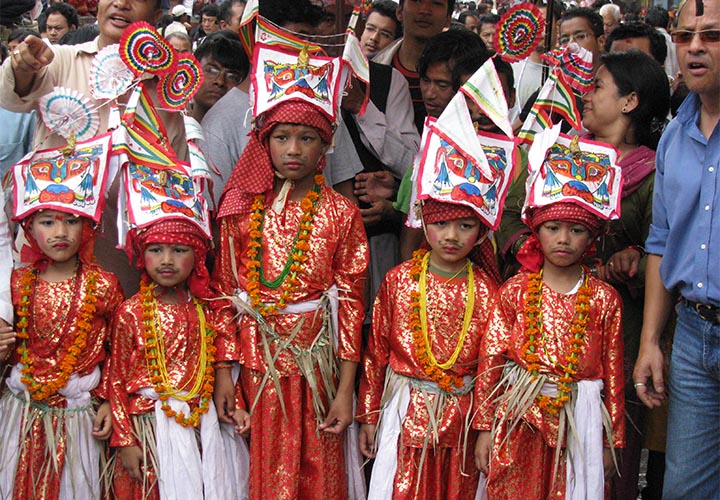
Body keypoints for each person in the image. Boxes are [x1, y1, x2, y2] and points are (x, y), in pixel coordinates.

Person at [212, 50, 369, 498]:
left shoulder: (341, 213)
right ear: (264, 142)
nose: (294, 150)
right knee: (258, 469)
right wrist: (226, 374)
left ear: (326, 144)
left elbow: (351, 304)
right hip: (254, 367)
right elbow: (225, 295)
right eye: (282, 137)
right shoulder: (239, 211)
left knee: (318, 469)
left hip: (316, 368)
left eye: (307, 138)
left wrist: (345, 389)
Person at [474, 139, 626, 499]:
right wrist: (483, 426)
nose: (563, 239)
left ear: (592, 237)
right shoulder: (514, 292)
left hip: (579, 425)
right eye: (553, 227)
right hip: (518, 420)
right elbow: (491, 360)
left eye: (576, 230)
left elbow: (614, 372)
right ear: (535, 230)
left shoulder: (605, 300)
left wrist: (610, 440)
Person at [358, 195, 500, 499]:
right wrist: (369, 417)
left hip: (462, 425)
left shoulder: (488, 291)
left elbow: (491, 368)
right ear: (423, 223)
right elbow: (375, 354)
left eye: (465, 226)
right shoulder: (398, 281)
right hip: (405, 415)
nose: (451, 236)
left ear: (482, 233)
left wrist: (485, 428)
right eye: (440, 223)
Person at [633, 0, 720, 497]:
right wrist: (650, 342)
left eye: (711, 36)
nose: (695, 48)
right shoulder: (673, 138)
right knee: (685, 488)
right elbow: (661, 243)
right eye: (685, 36)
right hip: (692, 336)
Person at [0, 166, 124, 498]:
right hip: (19, 414)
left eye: (72, 221)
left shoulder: (103, 285)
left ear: (89, 227)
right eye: (48, 221)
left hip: (79, 420)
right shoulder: (14, 285)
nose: (61, 232)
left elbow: (120, 351)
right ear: (29, 227)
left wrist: (111, 404)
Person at [581, 49, 670, 500]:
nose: (586, 94)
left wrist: (631, 258)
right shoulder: (565, 155)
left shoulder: (655, 173)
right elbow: (518, 218)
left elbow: (663, 249)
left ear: (630, 101)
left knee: (611, 450)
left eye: (597, 86)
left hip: (620, 333)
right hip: (553, 325)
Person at [106, 217, 246, 499]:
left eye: (179, 250)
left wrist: (237, 407)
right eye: (155, 250)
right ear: (142, 255)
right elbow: (116, 380)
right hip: (149, 430)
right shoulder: (130, 313)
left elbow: (219, 371)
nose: (166, 260)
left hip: (199, 427)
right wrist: (125, 440)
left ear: (198, 256)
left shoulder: (208, 311)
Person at [373, 0, 455, 132]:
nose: (425, 10)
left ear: (447, 19)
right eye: (416, 1)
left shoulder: (463, 78)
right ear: (400, 11)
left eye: (436, 3)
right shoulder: (371, 72)